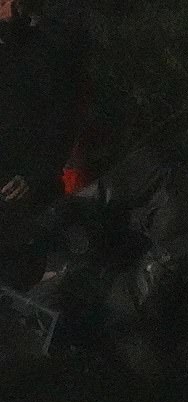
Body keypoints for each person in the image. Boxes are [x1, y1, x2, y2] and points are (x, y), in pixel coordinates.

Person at [0, 0, 77, 287]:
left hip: (26, 196)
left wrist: (34, 176)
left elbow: (60, 127)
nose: (7, 9)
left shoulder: (46, 51)